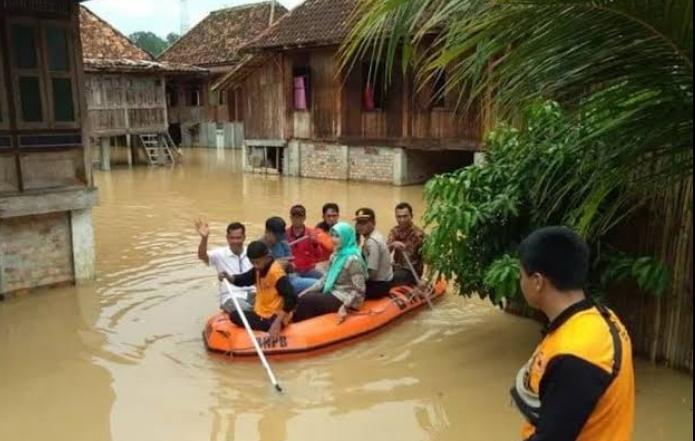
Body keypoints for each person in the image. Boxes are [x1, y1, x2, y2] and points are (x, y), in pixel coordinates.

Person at [511, 226, 634, 441]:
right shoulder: (603, 317)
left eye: (521, 275)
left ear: (537, 282)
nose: (520, 283)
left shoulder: (575, 356)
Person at [221, 241, 297, 339]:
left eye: (257, 262)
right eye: (252, 263)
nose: (255, 266)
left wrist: (277, 323)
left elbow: (292, 299)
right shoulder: (259, 269)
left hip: (274, 317)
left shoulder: (276, 274)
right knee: (236, 314)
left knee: (234, 316)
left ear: (266, 257)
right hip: (263, 312)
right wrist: (229, 277)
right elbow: (244, 279)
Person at [292, 222, 367, 323]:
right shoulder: (336, 255)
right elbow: (326, 278)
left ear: (346, 237)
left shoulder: (353, 259)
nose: (334, 239)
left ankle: (298, 326)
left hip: (346, 296)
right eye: (332, 235)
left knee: (308, 300)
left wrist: (344, 307)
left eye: (338, 236)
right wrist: (308, 290)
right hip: (334, 290)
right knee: (303, 296)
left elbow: (359, 289)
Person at [195, 219, 255, 312]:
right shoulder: (219, 254)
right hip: (231, 296)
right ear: (227, 238)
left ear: (244, 237)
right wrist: (204, 238)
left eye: (238, 238)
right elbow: (202, 256)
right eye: (232, 238)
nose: (235, 241)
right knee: (247, 310)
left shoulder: (252, 252)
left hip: (253, 293)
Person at [264, 216, 318, 293]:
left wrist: (290, 265)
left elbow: (291, 262)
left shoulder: (282, 241)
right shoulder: (260, 247)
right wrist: (277, 264)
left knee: (321, 282)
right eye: (276, 237)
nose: (279, 239)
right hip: (277, 282)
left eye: (280, 237)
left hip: (290, 276)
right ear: (267, 232)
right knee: (317, 284)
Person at [354, 207, 393, 299]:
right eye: (358, 223)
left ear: (373, 223)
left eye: (364, 222)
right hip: (382, 282)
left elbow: (372, 272)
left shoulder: (372, 242)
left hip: (378, 285)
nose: (360, 226)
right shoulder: (375, 235)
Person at [287, 204, 333, 279]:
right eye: (294, 217)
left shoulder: (312, 233)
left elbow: (318, 255)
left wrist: (315, 244)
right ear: (291, 218)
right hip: (292, 271)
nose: (297, 219)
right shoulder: (285, 234)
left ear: (304, 218)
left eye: (299, 217)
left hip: (308, 270)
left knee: (326, 280)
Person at [387, 202, 426, 286]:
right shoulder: (394, 231)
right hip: (396, 267)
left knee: (391, 279)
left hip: (412, 271)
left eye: (405, 216)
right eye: (399, 217)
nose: (402, 220)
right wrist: (392, 245)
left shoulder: (419, 234)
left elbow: (428, 259)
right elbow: (385, 252)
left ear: (411, 216)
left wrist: (426, 278)